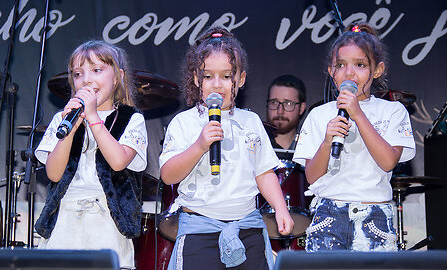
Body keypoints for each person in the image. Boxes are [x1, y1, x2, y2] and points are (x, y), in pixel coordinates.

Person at [159, 27, 294, 270]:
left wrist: (281, 209)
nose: (216, 84)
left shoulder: (250, 122)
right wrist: (200, 145)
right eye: (208, 76)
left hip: (247, 230)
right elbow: (168, 174)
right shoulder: (185, 122)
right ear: (197, 79)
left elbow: (263, 172)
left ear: (240, 79)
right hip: (199, 230)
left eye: (226, 76)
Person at [292, 22, 416, 252]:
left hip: (375, 216)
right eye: (341, 65)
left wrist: (358, 115)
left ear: (376, 70)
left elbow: (388, 161)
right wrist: (328, 141)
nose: (349, 73)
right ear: (331, 72)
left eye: (360, 65)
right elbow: (311, 176)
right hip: (328, 215)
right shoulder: (319, 115)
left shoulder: (392, 111)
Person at [34, 40, 147, 269]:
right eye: (78, 74)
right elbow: (54, 174)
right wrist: (71, 128)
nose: (86, 79)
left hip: (108, 223)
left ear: (117, 77)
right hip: (65, 221)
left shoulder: (131, 119)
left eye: (96, 70)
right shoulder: (62, 119)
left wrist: (93, 117)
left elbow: (117, 162)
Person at [266, 75, 307, 160]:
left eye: (288, 104)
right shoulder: (255, 145)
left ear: (301, 108)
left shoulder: (310, 149)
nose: (280, 111)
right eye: (274, 102)